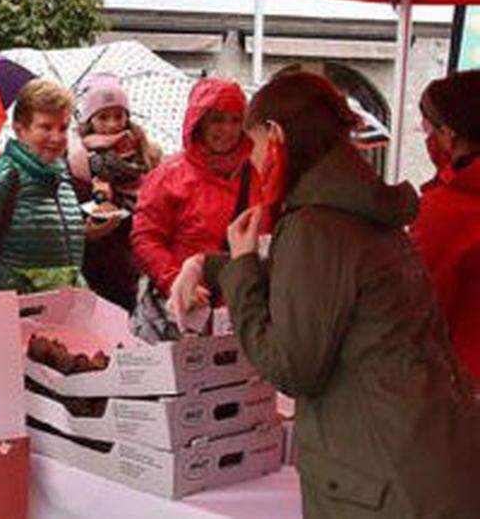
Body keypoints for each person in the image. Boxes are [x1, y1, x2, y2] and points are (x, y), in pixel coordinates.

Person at [197, 72, 480, 518]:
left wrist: (244, 269)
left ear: (275, 135)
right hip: (431, 456)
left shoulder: (315, 226)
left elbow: (292, 367)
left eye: (252, 144)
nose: (251, 160)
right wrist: (217, 265)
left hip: (382, 480)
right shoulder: (364, 211)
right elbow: (329, 289)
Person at [0, 79, 115, 295]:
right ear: (20, 129)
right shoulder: (0, 176)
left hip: (54, 311)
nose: (57, 137)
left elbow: (35, 237)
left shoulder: (62, 176)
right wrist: (14, 287)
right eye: (46, 127)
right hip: (12, 314)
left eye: (63, 128)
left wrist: (86, 233)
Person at [130, 78, 250, 338]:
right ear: (199, 122)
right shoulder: (169, 175)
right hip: (181, 311)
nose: (228, 130)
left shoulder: (258, 173)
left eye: (235, 120)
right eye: (217, 120)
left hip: (240, 314)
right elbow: (146, 238)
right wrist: (175, 281)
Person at [67, 73, 162, 311]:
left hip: (137, 265)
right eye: (103, 117)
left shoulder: (147, 156)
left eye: (118, 116)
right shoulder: (76, 161)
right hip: (94, 269)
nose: (112, 124)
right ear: (90, 120)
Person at [411, 71, 480, 384]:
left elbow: (419, 311)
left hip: (463, 386)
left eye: (430, 128)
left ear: (449, 134)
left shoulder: (446, 210)